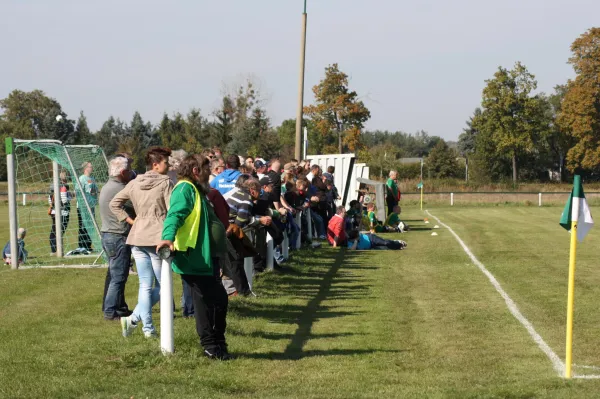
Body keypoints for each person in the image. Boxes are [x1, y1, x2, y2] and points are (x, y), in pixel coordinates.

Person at [156, 154, 231, 360]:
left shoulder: (197, 190)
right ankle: (211, 345)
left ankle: (217, 344)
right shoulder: (185, 189)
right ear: (196, 171)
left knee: (213, 301)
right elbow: (175, 215)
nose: (210, 174)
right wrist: (167, 238)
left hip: (205, 257)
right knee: (213, 301)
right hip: (193, 257)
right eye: (207, 169)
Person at [113, 147, 174, 338]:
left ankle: (144, 327)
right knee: (164, 285)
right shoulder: (166, 183)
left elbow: (114, 203)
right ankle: (138, 322)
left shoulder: (134, 182)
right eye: (166, 162)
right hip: (158, 237)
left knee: (145, 285)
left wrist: (132, 220)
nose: (169, 165)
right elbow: (172, 209)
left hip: (137, 237)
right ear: (156, 164)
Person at [100, 156, 135, 321]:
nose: (131, 173)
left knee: (117, 275)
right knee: (118, 277)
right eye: (129, 170)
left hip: (109, 235)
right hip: (117, 236)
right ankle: (110, 312)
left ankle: (118, 308)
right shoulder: (120, 189)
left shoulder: (109, 185)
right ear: (122, 172)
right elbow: (135, 205)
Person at [226, 178, 268, 295]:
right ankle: (243, 292)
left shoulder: (239, 193)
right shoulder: (247, 199)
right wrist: (260, 221)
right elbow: (241, 222)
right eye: (259, 190)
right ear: (252, 190)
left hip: (226, 227)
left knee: (236, 261)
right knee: (236, 261)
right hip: (229, 231)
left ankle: (243, 291)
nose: (261, 193)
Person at [49, 170, 72, 254]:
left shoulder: (52, 186)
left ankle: (54, 250)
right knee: (59, 231)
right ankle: (55, 250)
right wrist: (70, 197)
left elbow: (50, 199)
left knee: (54, 230)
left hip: (54, 212)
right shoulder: (64, 187)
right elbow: (65, 200)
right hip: (63, 212)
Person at [77, 161, 99, 252]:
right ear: (85, 168)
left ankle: (88, 245)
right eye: (90, 166)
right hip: (83, 207)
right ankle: (82, 246)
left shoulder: (92, 178)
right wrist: (83, 202)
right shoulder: (82, 178)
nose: (92, 168)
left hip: (91, 206)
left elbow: (94, 190)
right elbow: (78, 191)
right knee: (83, 226)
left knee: (90, 226)